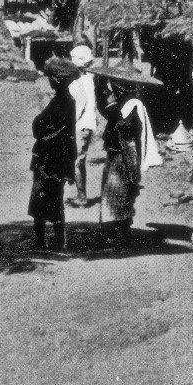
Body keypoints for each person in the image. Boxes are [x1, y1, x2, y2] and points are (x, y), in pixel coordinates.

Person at [99, 78, 160, 247]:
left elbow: (127, 129)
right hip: (117, 152)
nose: (112, 90)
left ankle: (121, 231)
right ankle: (116, 230)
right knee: (115, 192)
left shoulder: (133, 104)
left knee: (122, 190)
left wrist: (114, 113)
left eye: (114, 87)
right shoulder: (122, 103)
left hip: (126, 153)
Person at [30, 57, 81, 251]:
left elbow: (41, 128)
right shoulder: (66, 101)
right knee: (55, 199)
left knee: (41, 199)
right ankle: (58, 240)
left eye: (50, 77)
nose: (49, 81)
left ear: (57, 80)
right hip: (60, 158)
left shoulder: (61, 102)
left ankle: (43, 241)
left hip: (50, 158)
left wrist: (40, 129)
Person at [67, 43, 100, 207]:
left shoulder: (78, 82)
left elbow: (79, 104)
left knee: (77, 161)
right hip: (89, 124)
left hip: (80, 125)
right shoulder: (90, 79)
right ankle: (81, 193)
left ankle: (81, 196)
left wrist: (69, 121)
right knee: (79, 160)